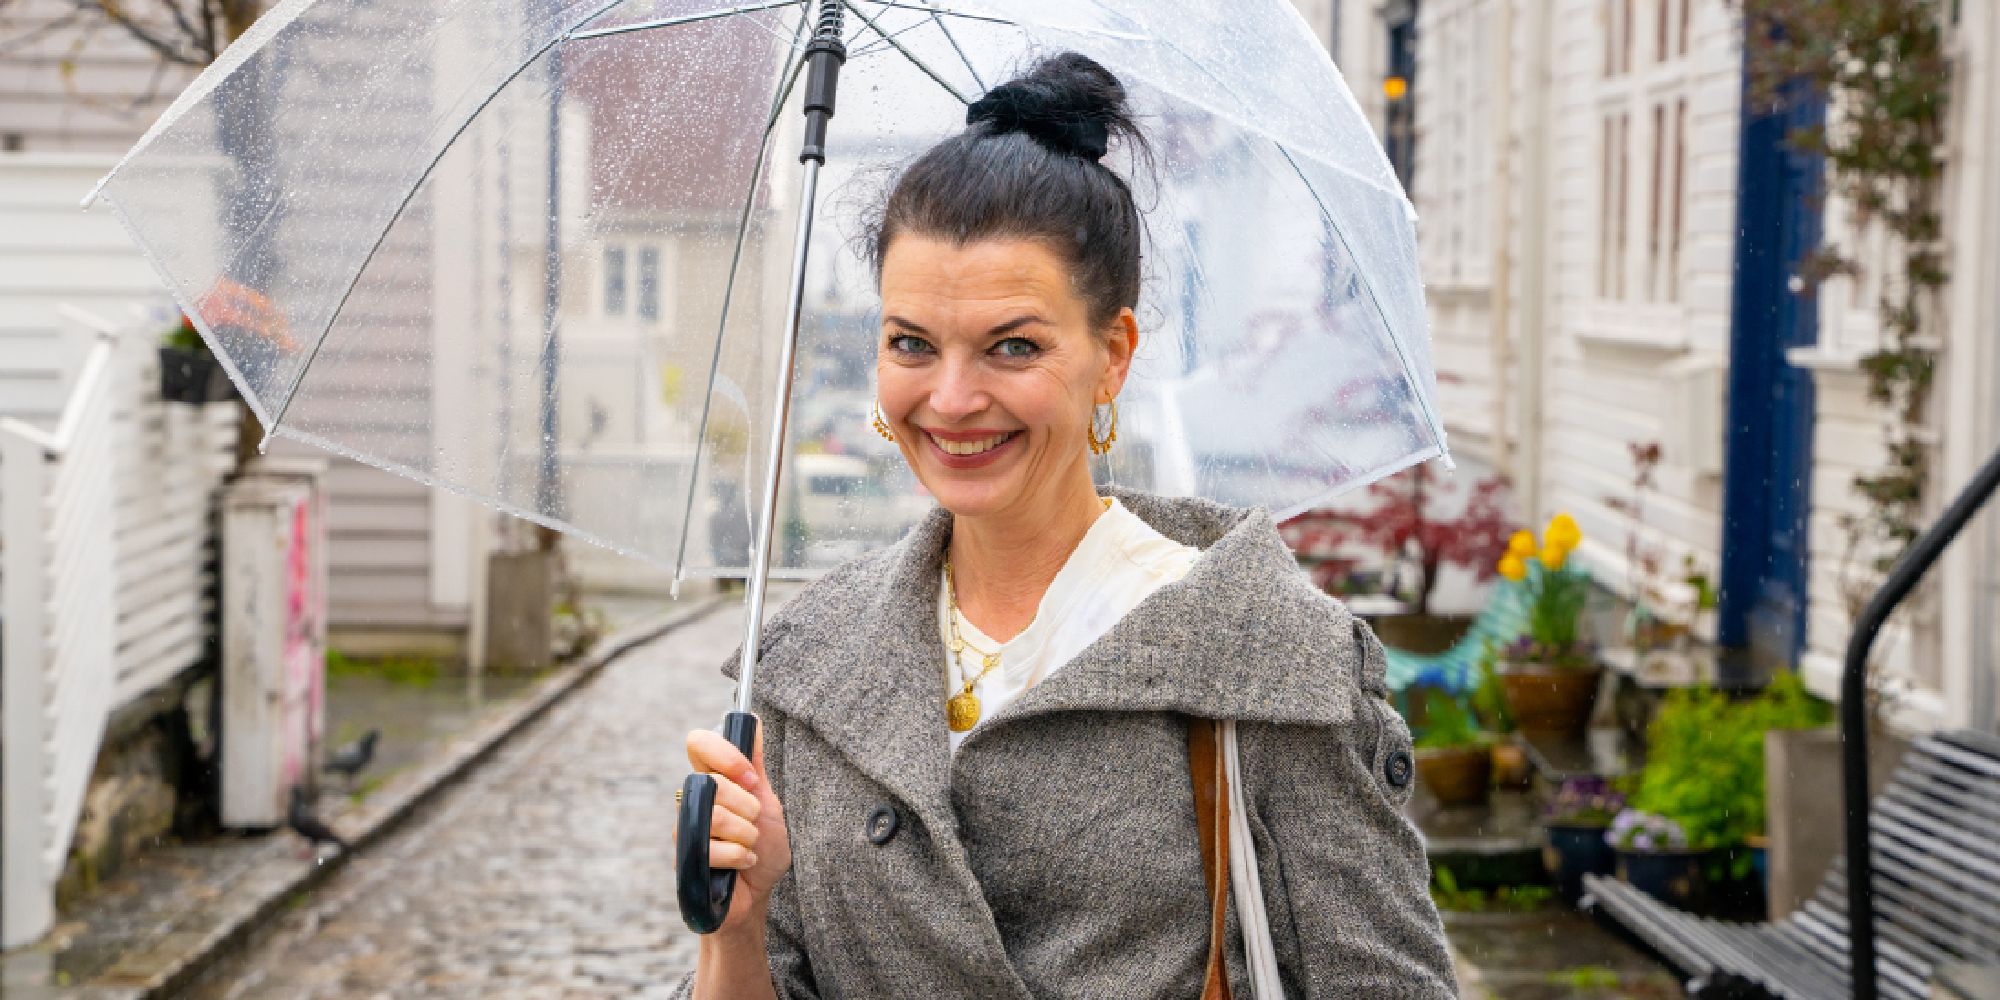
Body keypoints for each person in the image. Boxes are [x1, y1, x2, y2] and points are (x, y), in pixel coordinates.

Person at [674, 52, 1457, 1000]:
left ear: (1112, 355)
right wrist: (737, 930)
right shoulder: (808, 667)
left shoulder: (1261, 656)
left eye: (1014, 346)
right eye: (911, 343)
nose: (953, 400)